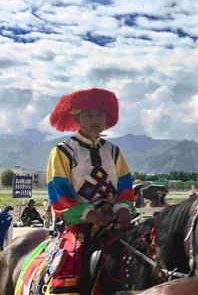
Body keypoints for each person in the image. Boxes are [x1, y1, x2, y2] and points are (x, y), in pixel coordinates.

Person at [19, 88, 135, 295]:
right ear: (77, 116)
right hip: (80, 226)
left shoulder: (114, 152)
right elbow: (58, 194)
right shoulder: (63, 151)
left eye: (100, 114)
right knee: (69, 269)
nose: (96, 119)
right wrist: (90, 214)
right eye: (89, 114)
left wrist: (124, 208)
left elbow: (125, 186)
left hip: (114, 222)